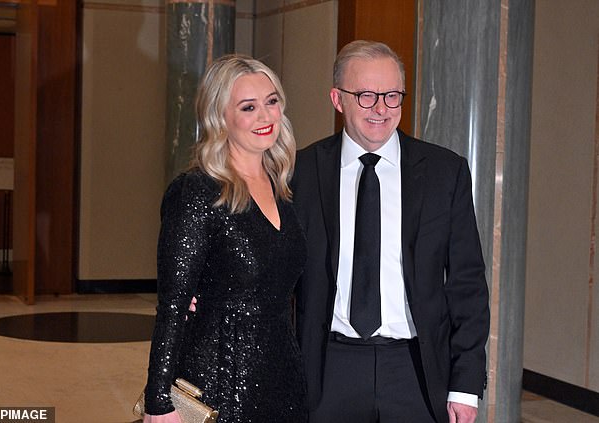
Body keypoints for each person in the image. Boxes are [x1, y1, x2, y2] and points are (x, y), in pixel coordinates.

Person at [291, 40, 490, 423]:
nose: (381, 109)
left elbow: (467, 283)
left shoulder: (444, 172)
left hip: (416, 373)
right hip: (326, 372)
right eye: (366, 95)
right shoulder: (299, 173)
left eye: (392, 95)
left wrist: (465, 384)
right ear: (337, 99)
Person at [143, 54, 308, 423]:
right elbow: (172, 305)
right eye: (248, 107)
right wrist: (159, 400)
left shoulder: (284, 189)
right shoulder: (198, 191)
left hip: (282, 379)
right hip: (216, 383)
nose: (265, 117)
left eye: (272, 101)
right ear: (221, 117)